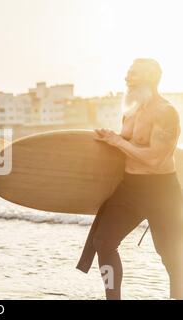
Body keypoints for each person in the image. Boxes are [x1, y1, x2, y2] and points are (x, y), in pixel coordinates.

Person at [77, 58, 183, 300]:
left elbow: (155, 159)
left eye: (133, 74)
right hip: (130, 189)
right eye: (127, 74)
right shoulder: (131, 111)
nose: (127, 78)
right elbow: (127, 147)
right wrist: (110, 140)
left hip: (162, 191)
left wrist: (117, 141)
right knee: (103, 241)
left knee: (171, 255)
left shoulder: (166, 113)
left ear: (150, 78)